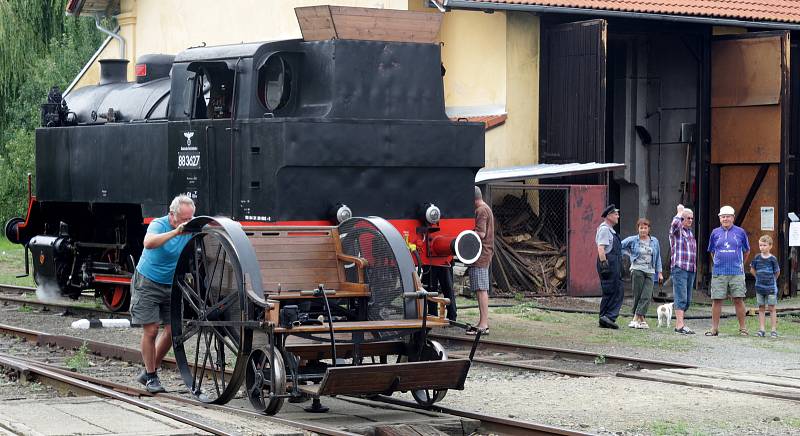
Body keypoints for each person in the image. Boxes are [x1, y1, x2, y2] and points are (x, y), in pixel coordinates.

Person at [131, 195, 195, 392]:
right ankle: (151, 377)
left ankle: (149, 371)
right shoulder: (159, 225)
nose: (187, 222)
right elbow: (148, 243)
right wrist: (176, 232)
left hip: (172, 284)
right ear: (172, 214)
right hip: (148, 281)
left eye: (190, 218)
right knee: (151, 330)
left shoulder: (191, 225)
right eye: (183, 218)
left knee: (172, 329)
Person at [706, 205, 750, 336]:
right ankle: (714, 329)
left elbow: (747, 251)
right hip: (719, 272)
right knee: (717, 300)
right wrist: (718, 262)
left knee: (738, 299)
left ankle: (743, 328)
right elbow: (712, 251)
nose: (725, 219)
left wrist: (741, 264)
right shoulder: (715, 233)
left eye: (728, 216)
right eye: (723, 216)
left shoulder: (740, 232)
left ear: (733, 218)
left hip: (737, 272)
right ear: (720, 218)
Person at [621, 218, 663, 329]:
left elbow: (658, 257)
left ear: (649, 229)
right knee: (638, 295)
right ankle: (642, 320)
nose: (643, 230)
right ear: (638, 229)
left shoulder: (654, 241)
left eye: (645, 228)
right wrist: (629, 254)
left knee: (647, 295)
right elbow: (620, 246)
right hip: (637, 270)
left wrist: (660, 272)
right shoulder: (633, 240)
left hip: (650, 271)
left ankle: (635, 318)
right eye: (641, 228)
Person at [467, 186, 494, 335]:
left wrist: (464, 234)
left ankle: (484, 324)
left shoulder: (481, 210)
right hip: (484, 253)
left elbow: (481, 233)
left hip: (481, 253)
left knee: (481, 289)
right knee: (480, 288)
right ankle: (482, 322)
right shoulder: (486, 208)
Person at [669, 204, 697, 334]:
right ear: (682, 219)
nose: (690, 220)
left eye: (691, 218)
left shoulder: (690, 233)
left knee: (688, 299)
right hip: (680, 267)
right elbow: (675, 224)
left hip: (690, 268)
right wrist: (679, 212)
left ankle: (680, 323)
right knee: (681, 296)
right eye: (687, 218)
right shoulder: (677, 232)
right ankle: (679, 325)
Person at [596, 204, 622, 329]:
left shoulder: (610, 230)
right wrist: (604, 265)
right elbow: (601, 248)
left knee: (614, 290)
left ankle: (605, 318)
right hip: (608, 262)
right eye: (616, 214)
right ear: (609, 216)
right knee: (612, 290)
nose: (618, 216)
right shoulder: (604, 229)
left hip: (613, 262)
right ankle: (608, 316)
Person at [750, 235, 780, 338]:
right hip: (759, 287)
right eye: (760, 245)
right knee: (761, 308)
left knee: (772, 308)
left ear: (770, 246)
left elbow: (777, 272)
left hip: (771, 288)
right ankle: (762, 329)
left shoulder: (773, 259)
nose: (762, 247)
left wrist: (772, 281)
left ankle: (773, 330)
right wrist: (758, 278)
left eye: (764, 245)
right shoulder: (757, 257)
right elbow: (752, 269)